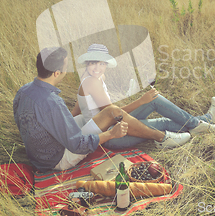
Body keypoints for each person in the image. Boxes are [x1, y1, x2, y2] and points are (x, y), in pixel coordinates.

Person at [13, 47, 192, 172]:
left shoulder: (23, 91)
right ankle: (163, 137)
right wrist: (110, 134)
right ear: (56, 73)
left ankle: (194, 123)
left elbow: (34, 122)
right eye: (65, 68)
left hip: (41, 154)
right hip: (57, 158)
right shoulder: (52, 102)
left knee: (99, 115)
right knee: (110, 112)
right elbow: (77, 145)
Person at [71, 44, 215, 149]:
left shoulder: (92, 77)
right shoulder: (92, 82)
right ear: (86, 63)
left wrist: (68, 123)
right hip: (112, 136)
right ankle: (203, 123)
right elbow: (114, 114)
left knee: (155, 102)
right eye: (93, 63)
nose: (97, 68)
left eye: (101, 64)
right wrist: (141, 101)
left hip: (116, 124)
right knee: (161, 119)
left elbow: (79, 105)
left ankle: (201, 124)